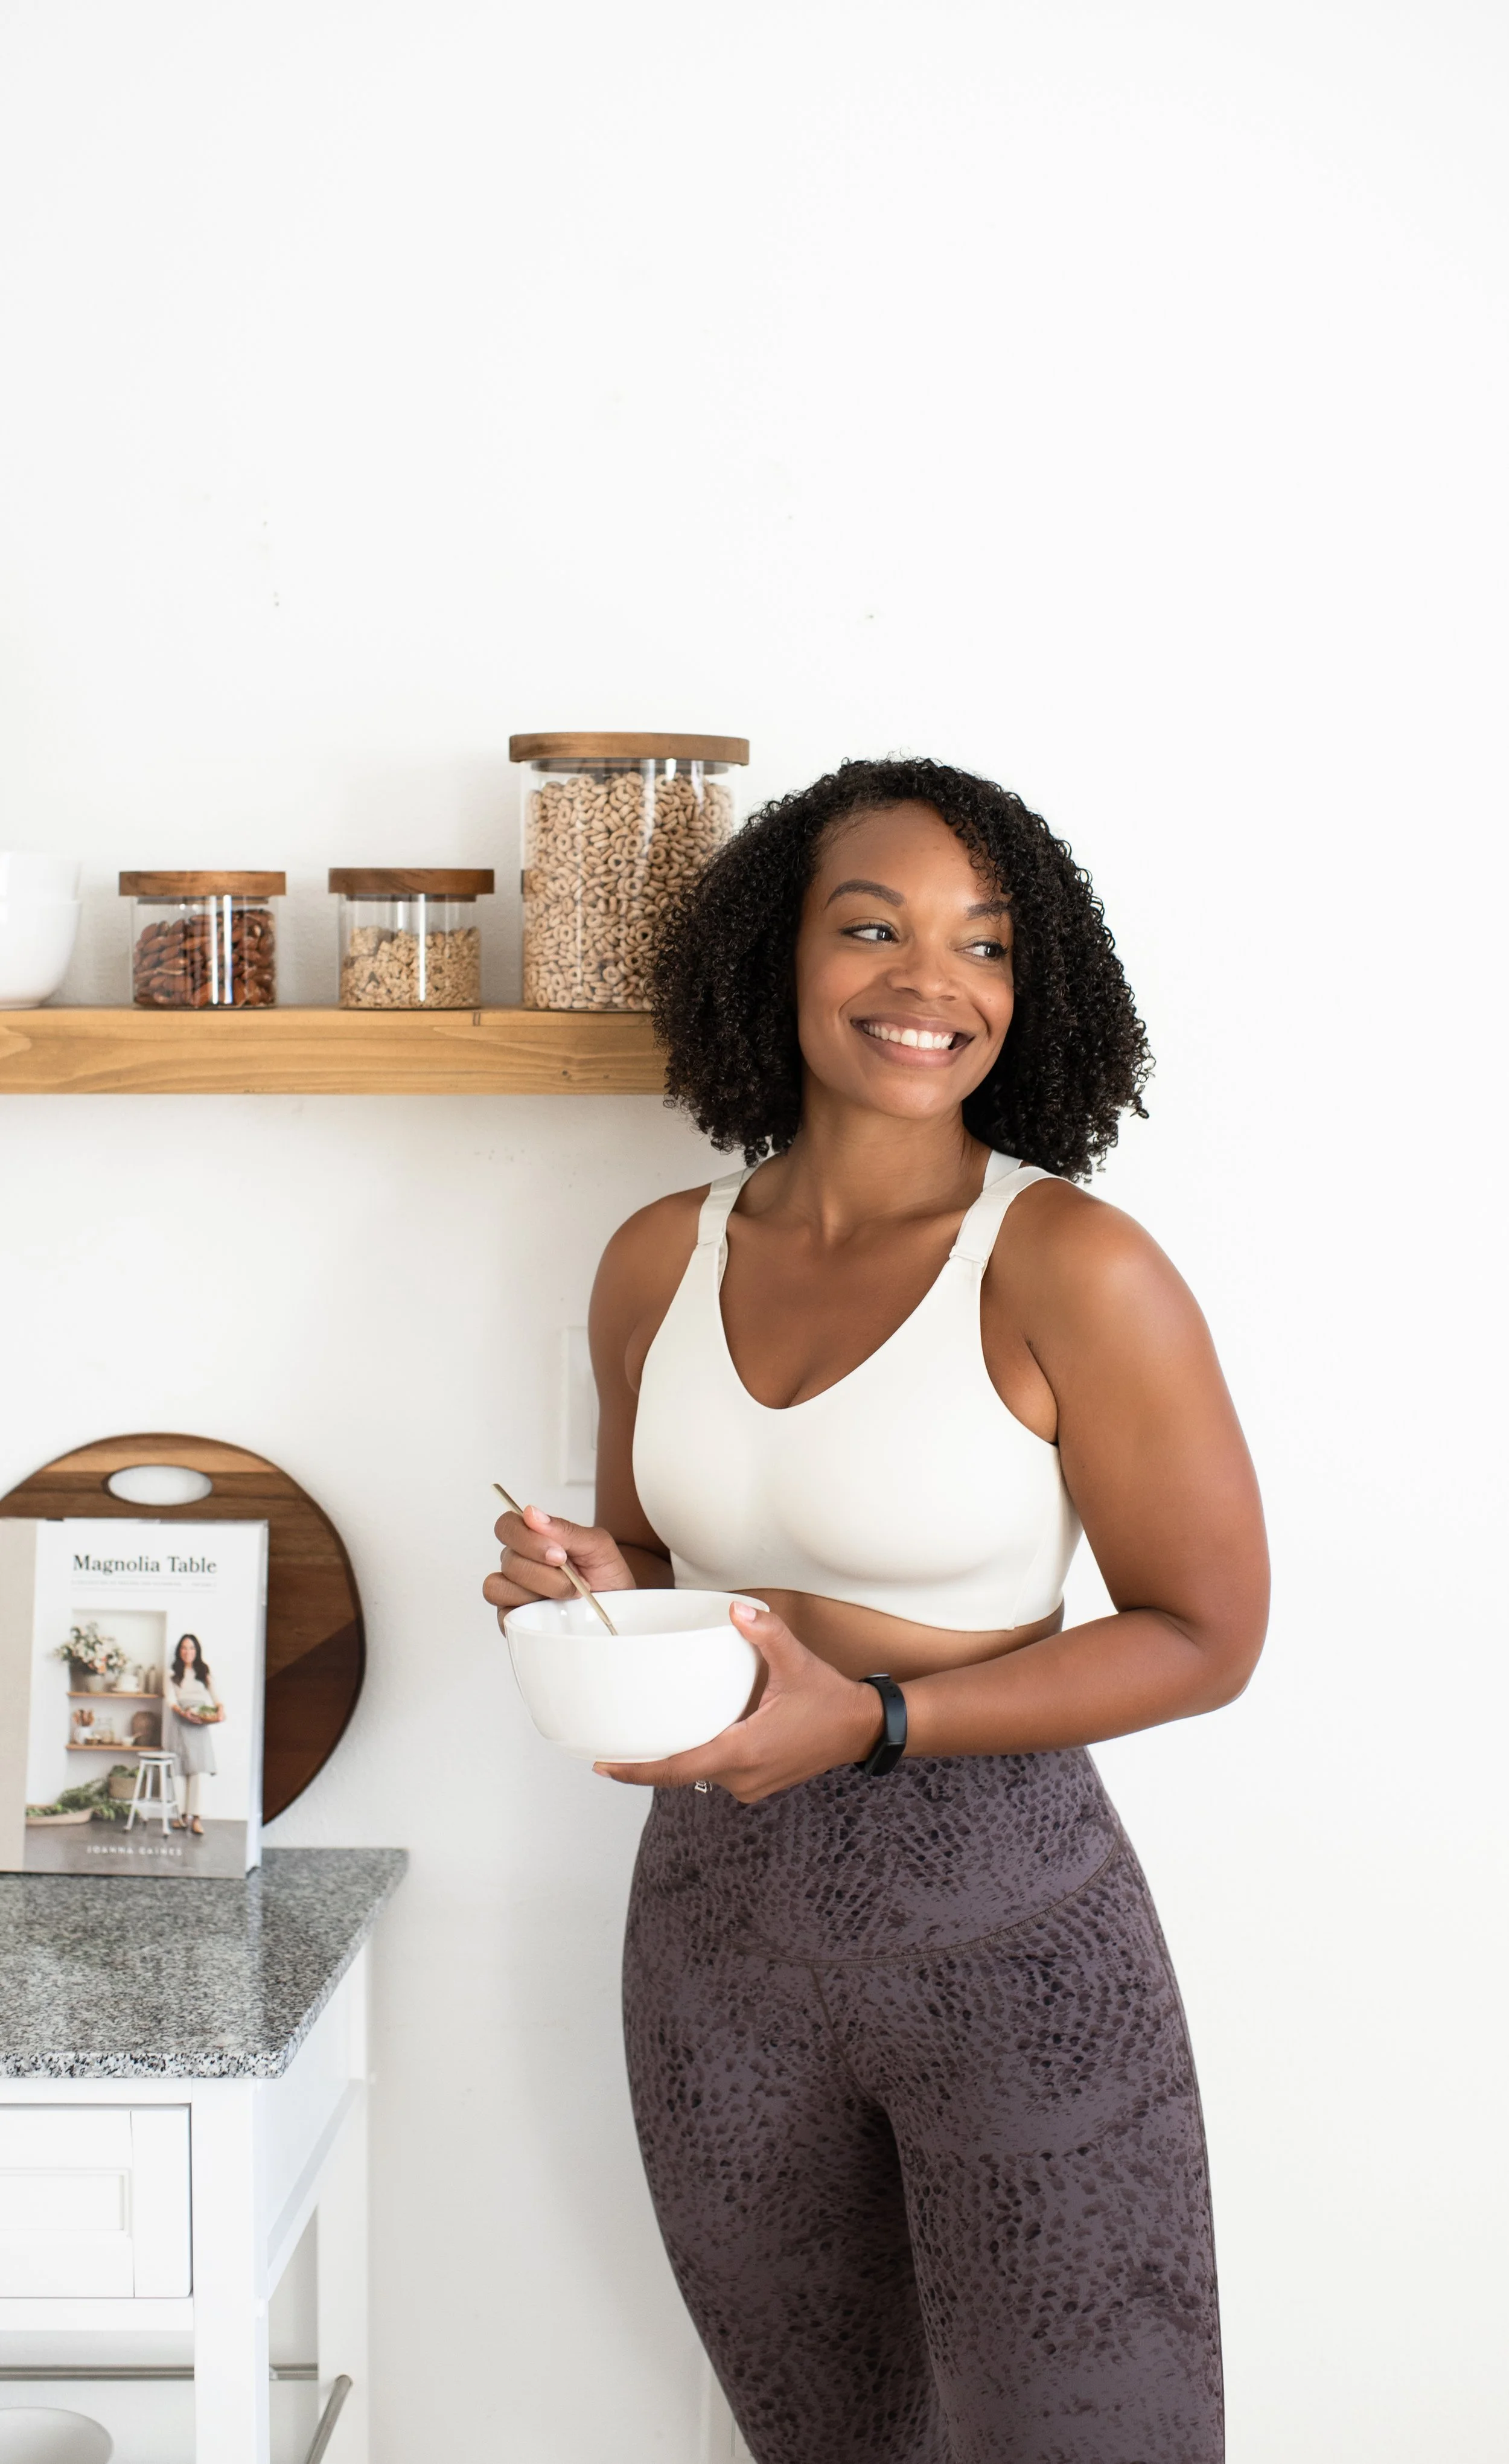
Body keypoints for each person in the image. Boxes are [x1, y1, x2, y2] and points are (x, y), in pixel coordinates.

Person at [486, 757, 1268, 2464]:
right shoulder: (654, 1259)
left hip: (1006, 1926)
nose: (931, 985)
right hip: (714, 1938)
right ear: (777, 955)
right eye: (871, 929)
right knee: (824, 2441)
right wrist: (591, 1595)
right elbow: (657, 1574)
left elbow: (1206, 1634)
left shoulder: (1072, 1266)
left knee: (1093, 2433)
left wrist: (883, 1720)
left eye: (982, 946)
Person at [165, 1633, 222, 1836]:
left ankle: (197, 1819)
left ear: (197, 1651)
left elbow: (217, 1696)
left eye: (191, 1648)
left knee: (200, 1771)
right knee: (180, 1771)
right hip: (180, 1723)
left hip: (200, 1723)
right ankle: (182, 1818)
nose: (187, 1652)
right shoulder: (172, 1674)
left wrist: (220, 1711)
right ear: (179, 1651)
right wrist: (184, 1713)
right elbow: (171, 1700)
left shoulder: (203, 1672)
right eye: (184, 1648)